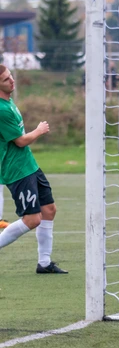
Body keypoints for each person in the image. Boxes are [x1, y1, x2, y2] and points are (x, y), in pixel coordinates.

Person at [0, 65, 67, 273]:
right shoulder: (2, 109)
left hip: (29, 165)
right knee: (33, 219)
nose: (12, 81)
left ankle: (44, 263)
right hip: (17, 170)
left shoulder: (9, 102)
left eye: (10, 76)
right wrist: (38, 131)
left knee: (49, 210)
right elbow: (20, 141)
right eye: (6, 79)